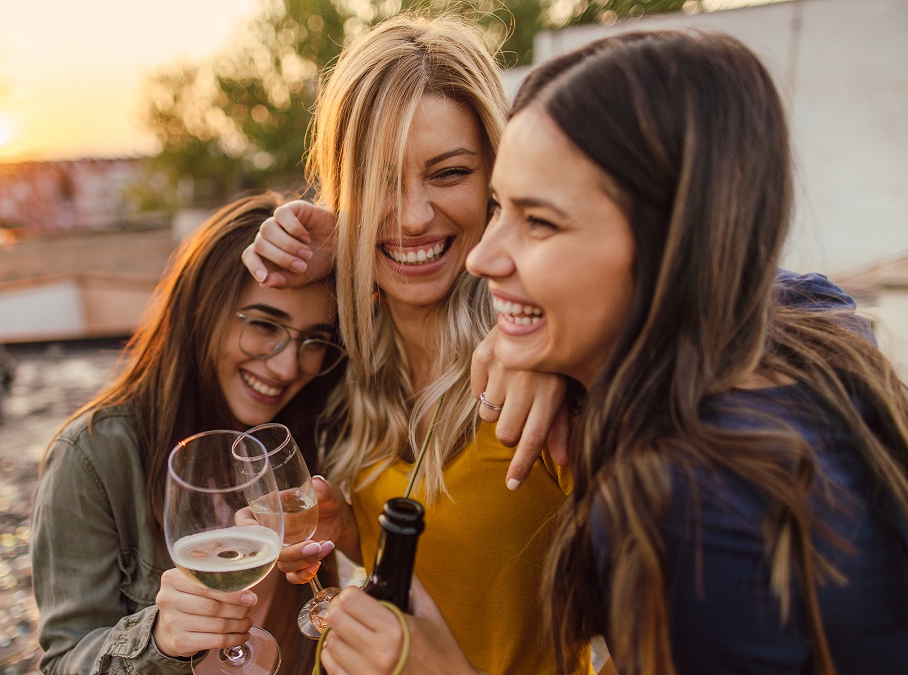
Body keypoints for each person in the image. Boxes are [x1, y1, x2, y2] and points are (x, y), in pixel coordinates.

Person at [325, 30, 908, 675]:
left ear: (665, 239)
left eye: (538, 219)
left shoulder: (691, 496)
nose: (485, 256)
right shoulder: (806, 363)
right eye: (503, 207)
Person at [243, 14, 591, 675]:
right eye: (377, 178)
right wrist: (349, 529)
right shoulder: (349, 359)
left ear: (499, 178)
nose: (411, 215)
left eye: (449, 172)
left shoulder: (540, 373)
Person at [30, 193, 346, 674]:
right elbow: (61, 664)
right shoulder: (92, 456)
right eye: (264, 325)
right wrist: (159, 638)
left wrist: (347, 242)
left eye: (314, 340)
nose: (287, 366)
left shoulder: (312, 427)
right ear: (200, 310)